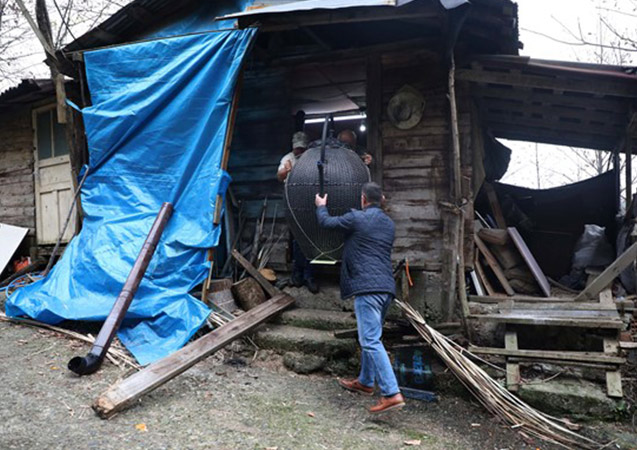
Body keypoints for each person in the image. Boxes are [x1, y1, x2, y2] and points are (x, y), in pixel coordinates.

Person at [314, 182, 405, 414]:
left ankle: (391, 393)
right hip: (386, 289)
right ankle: (365, 382)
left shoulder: (356, 218)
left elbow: (326, 223)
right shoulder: (389, 224)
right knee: (372, 336)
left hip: (367, 288)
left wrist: (321, 206)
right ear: (381, 198)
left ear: (363, 199)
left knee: (371, 341)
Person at [277, 131, 319, 294]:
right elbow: (279, 176)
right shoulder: (288, 158)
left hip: (309, 202)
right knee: (296, 240)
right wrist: (286, 171)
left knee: (310, 239)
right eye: (297, 149)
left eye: (301, 148)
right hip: (293, 202)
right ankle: (297, 275)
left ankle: (310, 276)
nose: (299, 152)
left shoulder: (312, 157)